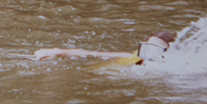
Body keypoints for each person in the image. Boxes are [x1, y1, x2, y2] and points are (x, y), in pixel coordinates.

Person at [34, 30, 177, 65]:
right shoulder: (132, 58)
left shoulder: (175, 68)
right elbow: (91, 54)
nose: (150, 55)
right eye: (148, 49)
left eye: (156, 51)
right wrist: (57, 52)